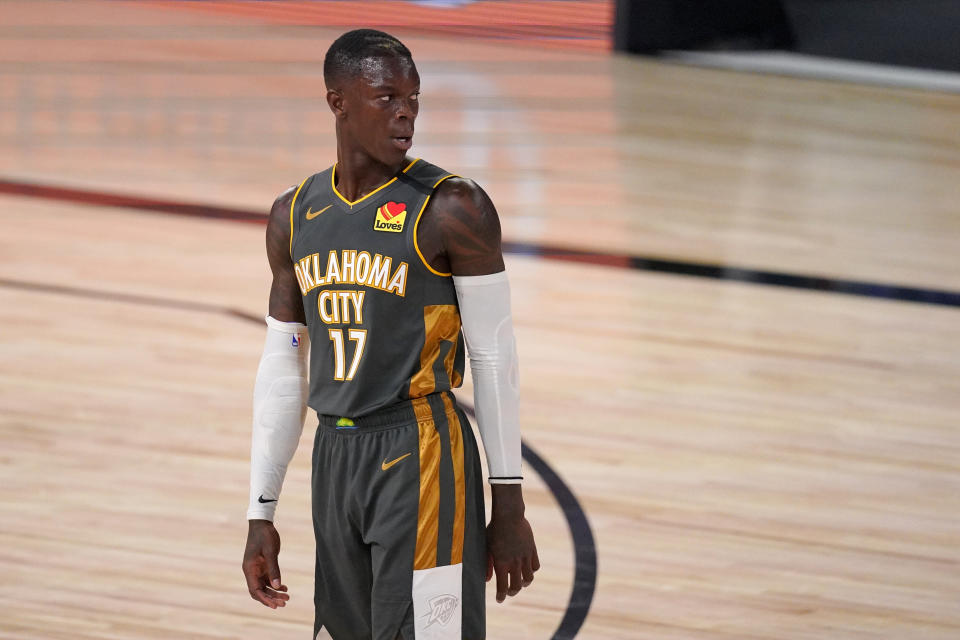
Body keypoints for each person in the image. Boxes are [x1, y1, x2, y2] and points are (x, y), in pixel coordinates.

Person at [240, 29, 539, 640]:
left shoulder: (455, 206)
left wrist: (507, 500)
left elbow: (494, 356)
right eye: (386, 97)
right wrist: (260, 510)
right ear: (337, 101)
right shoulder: (294, 213)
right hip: (335, 455)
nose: (406, 112)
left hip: (421, 450)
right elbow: (282, 364)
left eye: (414, 97)